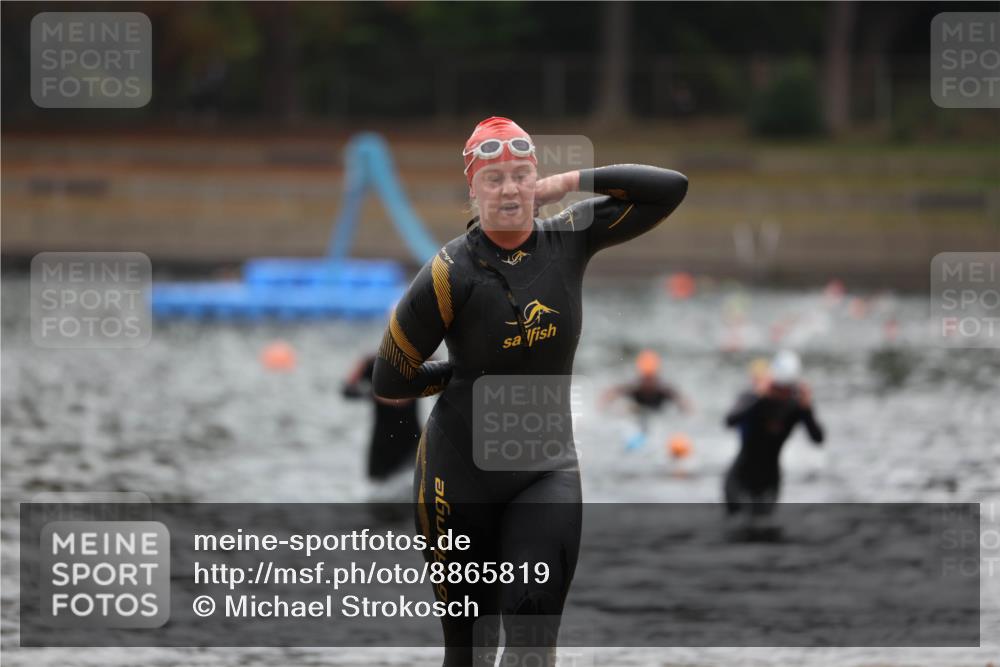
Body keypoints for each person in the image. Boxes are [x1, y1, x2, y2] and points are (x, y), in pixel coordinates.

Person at [372, 116, 687, 666]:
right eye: (494, 178)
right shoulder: (449, 273)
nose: (510, 189)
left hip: (545, 471)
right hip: (457, 477)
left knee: (533, 646)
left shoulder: (571, 237)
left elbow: (669, 190)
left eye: (521, 175)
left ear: (536, 179)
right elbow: (390, 376)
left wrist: (569, 182)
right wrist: (461, 375)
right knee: (470, 652)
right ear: (473, 188)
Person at [723, 349, 824, 516]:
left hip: (770, 481)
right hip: (739, 477)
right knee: (736, 529)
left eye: (786, 389)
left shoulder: (796, 407)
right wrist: (758, 397)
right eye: (778, 387)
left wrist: (808, 409)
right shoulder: (753, 396)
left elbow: (818, 439)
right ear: (772, 382)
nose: (781, 394)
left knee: (765, 532)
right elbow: (729, 421)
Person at [342, 353, 422, 481]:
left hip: (411, 438)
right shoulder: (370, 362)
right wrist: (375, 394)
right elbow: (346, 390)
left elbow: (445, 382)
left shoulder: (418, 361)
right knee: (377, 490)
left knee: (416, 485)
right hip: (382, 440)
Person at [601, 349, 692, 449]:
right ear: (641, 376)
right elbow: (611, 394)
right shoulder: (634, 387)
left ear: (656, 376)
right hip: (639, 411)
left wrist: (685, 412)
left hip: (658, 414)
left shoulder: (663, 389)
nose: (648, 383)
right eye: (645, 378)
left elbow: (682, 402)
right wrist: (604, 407)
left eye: (651, 378)